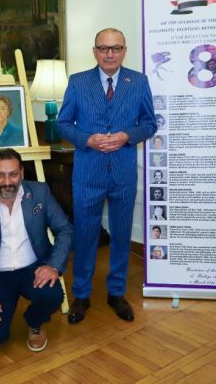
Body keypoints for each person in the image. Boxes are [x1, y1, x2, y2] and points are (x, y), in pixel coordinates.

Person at [57, 27, 156, 324]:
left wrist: (128, 135)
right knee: (85, 235)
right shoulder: (78, 82)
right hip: (88, 172)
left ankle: (116, 293)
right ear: (95, 51)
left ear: (124, 50)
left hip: (124, 173)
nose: (109, 54)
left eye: (115, 48)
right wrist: (86, 139)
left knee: (122, 234)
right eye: (103, 48)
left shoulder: (138, 82)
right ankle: (82, 295)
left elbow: (150, 124)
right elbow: (63, 123)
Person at [0, 148, 72, 352]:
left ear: (22, 173)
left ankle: (34, 321)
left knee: (52, 295)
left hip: (32, 270)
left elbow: (64, 229)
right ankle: (0, 313)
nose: (7, 182)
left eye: (13, 174)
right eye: (0, 175)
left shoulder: (39, 193)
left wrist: (53, 266)